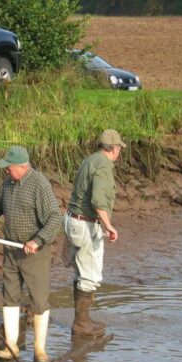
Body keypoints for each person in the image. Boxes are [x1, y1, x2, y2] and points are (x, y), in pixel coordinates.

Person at [0, 146, 62, 362]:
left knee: (38, 300)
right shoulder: (7, 184)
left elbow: (55, 219)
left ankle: (39, 349)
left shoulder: (39, 185)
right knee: (10, 297)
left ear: (23, 167)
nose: (6, 171)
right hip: (11, 250)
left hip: (35, 253)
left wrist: (37, 240)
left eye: (9, 167)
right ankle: (11, 346)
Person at [64, 129, 125, 338]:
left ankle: (82, 320)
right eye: (119, 148)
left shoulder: (90, 160)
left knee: (81, 272)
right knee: (89, 275)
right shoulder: (103, 166)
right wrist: (108, 226)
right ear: (113, 148)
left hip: (73, 220)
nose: (119, 152)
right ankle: (81, 324)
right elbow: (98, 200)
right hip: (85, 224)